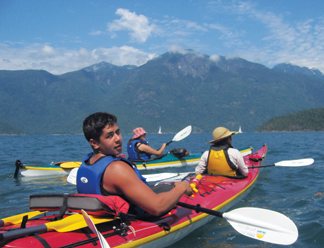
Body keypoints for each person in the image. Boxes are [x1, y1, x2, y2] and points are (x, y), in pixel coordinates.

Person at [77, 112, 193, 217]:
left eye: (117, 132)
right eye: (109, 135)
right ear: (94, 143)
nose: (118, 139)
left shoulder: (87, 162)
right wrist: (182, 187)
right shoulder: (116, 168)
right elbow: (158, 207)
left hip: (100, 216)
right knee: (179, 187)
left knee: (165, 186)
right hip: (134, 219)